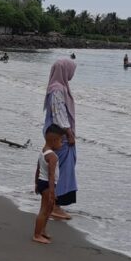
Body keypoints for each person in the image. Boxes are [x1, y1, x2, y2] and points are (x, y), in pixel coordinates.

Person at [43, 58, 78, 220]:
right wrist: (69, 133)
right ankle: (55, 205)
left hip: (57, 134)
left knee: (57, 168)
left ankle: (51, 202)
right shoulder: (58, 89)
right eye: (71, 70)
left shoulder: (58, 87)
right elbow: (59, 115)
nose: (72, 74)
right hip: (60, 136)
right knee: (62, 169)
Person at [33, 125, 66, 244]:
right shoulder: (52, 156)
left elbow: (38, 168)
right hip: (48, 185)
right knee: (44, 210)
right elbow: (51, 175)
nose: (62, 144)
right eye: (61, 141)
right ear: (54, 141)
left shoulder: (43, 151)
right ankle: (37, 235)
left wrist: (36, 183)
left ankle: (42, 230)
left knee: (49, 209)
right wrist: (52, 192)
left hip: (42, 183)